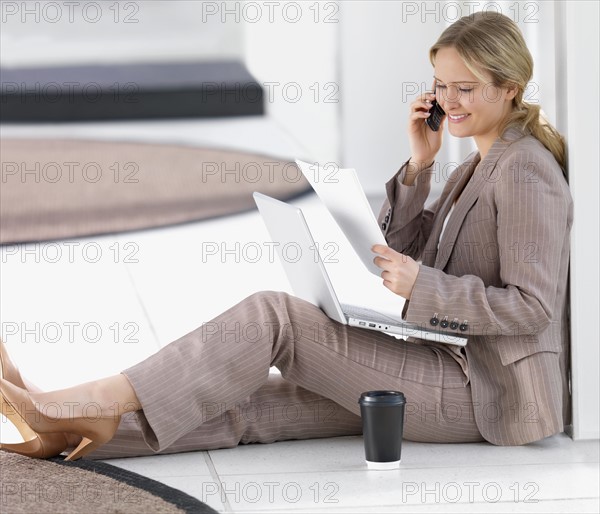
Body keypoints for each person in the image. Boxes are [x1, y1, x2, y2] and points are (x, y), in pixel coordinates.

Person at [0, 11, 572, 461]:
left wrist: (423, 286)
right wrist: (419, 168)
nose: (448, 102)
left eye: (466, 88)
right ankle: (60, 430)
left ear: (510, 89)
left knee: (275, 317)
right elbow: (402, 253)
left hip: (478, 394)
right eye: (442, 86)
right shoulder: (475, 163)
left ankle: (79, 402)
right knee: (249, 402)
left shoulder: (526, 172)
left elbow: (532, 307)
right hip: (432, 364)